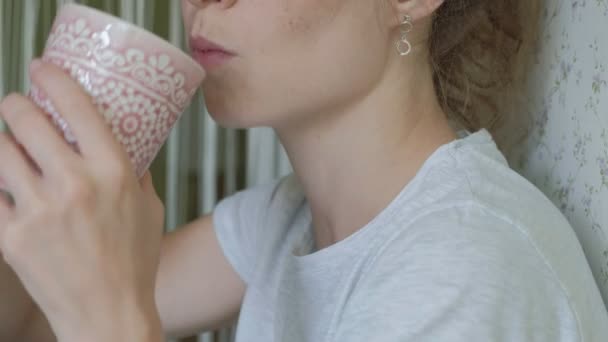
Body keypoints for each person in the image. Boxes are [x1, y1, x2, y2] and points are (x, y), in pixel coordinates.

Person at [1, 0, 607, 341]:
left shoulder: (470, 268)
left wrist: (112, 324)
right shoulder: (279, 223)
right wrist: (25, 198)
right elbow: (33, 326)